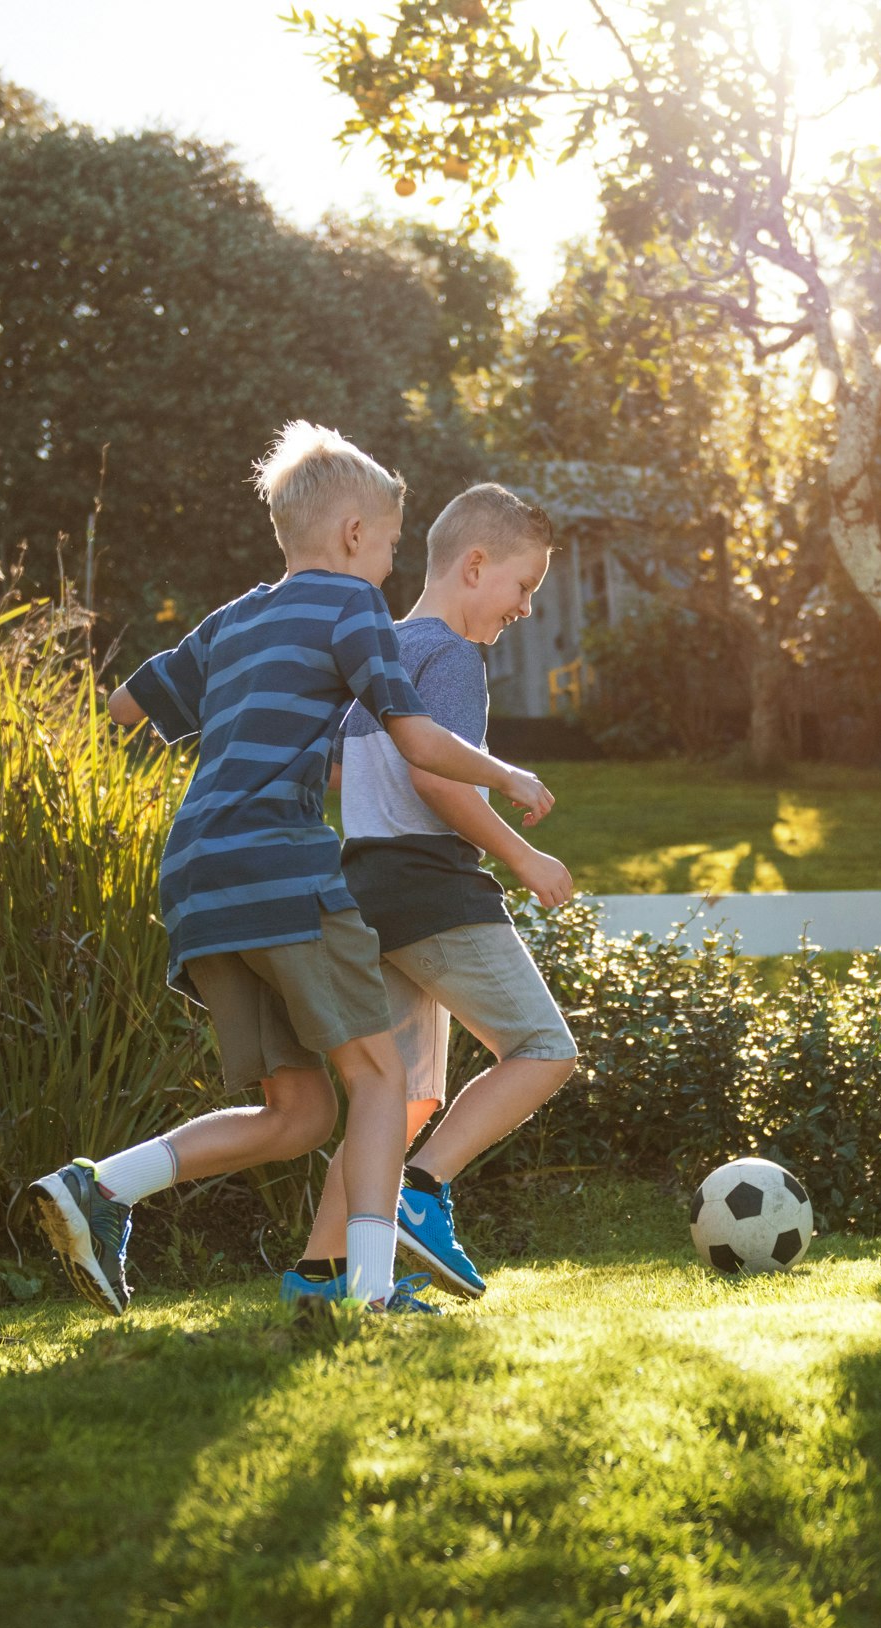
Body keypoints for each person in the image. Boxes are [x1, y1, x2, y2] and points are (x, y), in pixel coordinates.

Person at [25, 424, 554, 1317]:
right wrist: (508, 775)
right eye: (390, 545)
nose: (390, 566)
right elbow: (419, 740)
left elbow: (122, 707)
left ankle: (101, 1187)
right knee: (382, 1081)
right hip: (279, 866)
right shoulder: (353, 608)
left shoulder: (233, 619)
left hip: (197, 877)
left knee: (300, 1114)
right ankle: (370, 1296)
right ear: (354, 534)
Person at [282, 482, 580, 1308]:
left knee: (400, 1099)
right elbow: (435, 778)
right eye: (523, 585)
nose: (525, 608)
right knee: (544, 1048)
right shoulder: (450, 654)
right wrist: (523, 855)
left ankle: (322, 1277)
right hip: (431, 887)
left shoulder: (379, 652)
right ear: (474, 565)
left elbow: (341, 770)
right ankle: (422, 1190)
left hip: (369, 892)